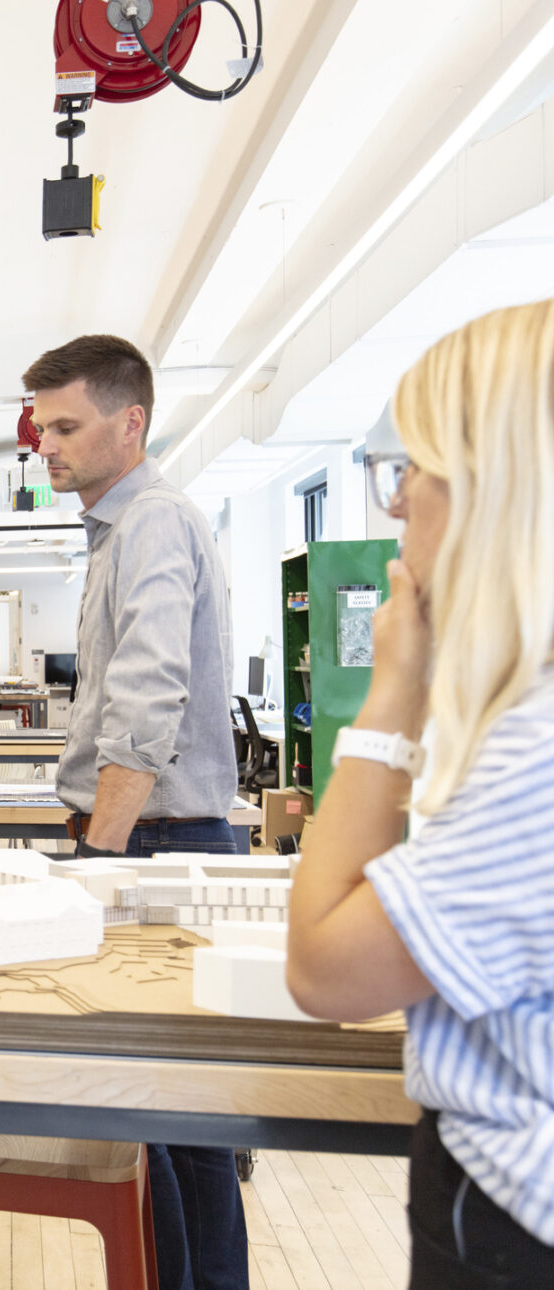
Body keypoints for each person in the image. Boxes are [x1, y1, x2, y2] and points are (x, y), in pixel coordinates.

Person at [287, 302, 554, 1289]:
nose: (398, 506)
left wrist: (393, 686)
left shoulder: (538, 760)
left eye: (416, 472)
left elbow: (326, 969)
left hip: (512, 1228)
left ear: (501, 490)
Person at [24, 334, 247, 1290]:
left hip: (153, 841)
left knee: (173, 1122)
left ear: (132, 421)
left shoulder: (152, 521)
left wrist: (99, 850)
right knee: (172, 1121)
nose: (48, 446)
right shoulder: (122, 530)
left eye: (68, 426)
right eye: (43, 428)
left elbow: (148, 698)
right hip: (150, 836)